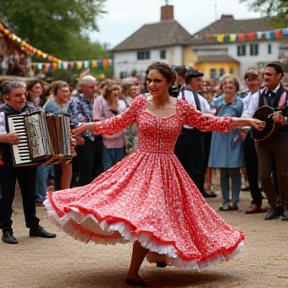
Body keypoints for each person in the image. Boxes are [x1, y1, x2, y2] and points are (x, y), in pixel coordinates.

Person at [44, 62, 264, 286]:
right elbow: (116, 123)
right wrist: (86, 126)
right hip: (140, 166)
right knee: (144, 215)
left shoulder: (182, 108)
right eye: (149, 80)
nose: (151, 84)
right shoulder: (140, 103)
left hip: (168, 169)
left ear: (170, 82)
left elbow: (209, 122)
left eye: (156, 80)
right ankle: (136, 270)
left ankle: (155, 254)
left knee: (164, 217)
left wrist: (244, 121)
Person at [0, 81, 56, 244]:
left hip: (28, 158)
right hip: (6, 159)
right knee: (7, 194)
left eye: (24, 94)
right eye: (18, 95)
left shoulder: (34, 109)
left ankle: (33, 225)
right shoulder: (2, 113)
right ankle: (6, 228)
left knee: (29, 192)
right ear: (6, 97)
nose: (22, 98)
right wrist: (4, 137)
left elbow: (49, 128)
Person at [243, 62, 288, 220]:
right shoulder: (257, 95)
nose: (265, 77)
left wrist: (284, 119)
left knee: (283, 174)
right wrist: (252, 122)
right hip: (262, 140)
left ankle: (285, 206)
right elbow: (248, 114)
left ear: (279, 76)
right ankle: (273, 206)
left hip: (282, 138)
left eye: (269, 74)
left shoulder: (286, 95)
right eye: (264, 74)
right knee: (263, 175)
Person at [175, 67, 217, 198]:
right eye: (197, 80)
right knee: (186, 169)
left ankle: (193, 197)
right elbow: (210, 115)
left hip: (196, 137)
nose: (200, 83)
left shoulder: (199, 98)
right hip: (179, 138)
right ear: (189, 81)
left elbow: (210, 114)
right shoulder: (176, 96)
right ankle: (189, 197)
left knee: (196, 169)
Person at [209, 75, 244, 211]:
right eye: (225, 87)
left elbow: (239, 113)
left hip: (233, 135)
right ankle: (224, 200)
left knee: (234, 168)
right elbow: (214, 111)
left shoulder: (240, 101)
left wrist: (232, 101)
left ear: (236, 88)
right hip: (220, 136)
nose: (228, 90)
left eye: (231, 87)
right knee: (223, 169)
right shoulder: (218, 100)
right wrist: (224, 100)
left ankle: (234, 200)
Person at [67, 75, 103, 186]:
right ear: (82, 88)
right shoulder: (75, 101)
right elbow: (77, 120)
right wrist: (85, 132)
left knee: (97, 169)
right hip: (85, 138)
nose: (94, 89)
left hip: (97, 137)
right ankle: (82, 192)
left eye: (94, 86)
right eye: (90, 87)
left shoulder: (95, 100)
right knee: (85, 170)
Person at [241, 68, 267, 214]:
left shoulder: (262, 95)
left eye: (254, 79)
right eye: (249, 79)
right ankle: (256, 200)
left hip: (260, 134)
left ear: (259, 81)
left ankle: (273, 199)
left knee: (265, 169)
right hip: (248, 134)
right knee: (250, 169)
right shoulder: (245, 97)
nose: (251, 82)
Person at [44, 80, 72, 190]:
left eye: (67, 91)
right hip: (57, 140)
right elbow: (58, 124)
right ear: (56, 92)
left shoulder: (63, 104)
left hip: (63, 140)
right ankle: (63, 193)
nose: (66, 94)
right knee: (65, 168)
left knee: (65, 169)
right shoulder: (52, 105)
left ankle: (63, 192)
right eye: (63, 91)